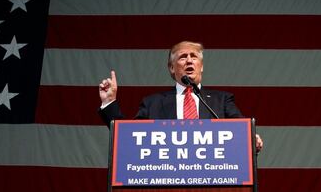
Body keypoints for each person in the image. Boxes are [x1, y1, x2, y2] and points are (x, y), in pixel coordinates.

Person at [98, 41, 264, 152]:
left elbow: (241, 130)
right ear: (171, 68)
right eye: (183, 57)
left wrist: (250, 139)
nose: (189, 61)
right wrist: (109, 102)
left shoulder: (222, 100)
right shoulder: (152, 103)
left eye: (194, 57)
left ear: (201, 67)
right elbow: (130, 139)